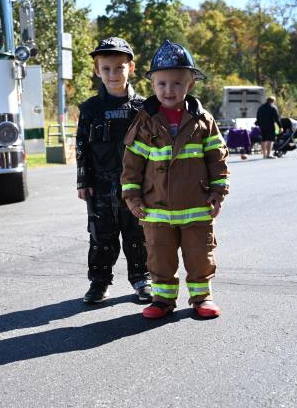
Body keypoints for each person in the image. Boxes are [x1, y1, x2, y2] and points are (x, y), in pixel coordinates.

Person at [120, 40, 230, 319]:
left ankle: (202, 297)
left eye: (177, 84)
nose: (169, 90)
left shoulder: (203, 120)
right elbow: (132, 164)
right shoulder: (145, 121)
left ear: (190, 84)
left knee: (199, 254)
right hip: (156, 209)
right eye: (162, 84)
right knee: (159, 255)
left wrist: (218, 191)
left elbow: (217, 158)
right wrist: (132, 197)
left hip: (196, 206)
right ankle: (163, 299)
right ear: (153, 85)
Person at [76, 37, 152, 304]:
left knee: (137, 234)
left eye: (119, 68)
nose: (112, 74)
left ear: (130, 68)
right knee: (101, 235)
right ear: (97, 70)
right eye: (106, 68)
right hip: (100, 185)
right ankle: (99, 283)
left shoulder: (144, 108)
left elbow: (153, 148)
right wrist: (82, 180)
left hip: (137, 186)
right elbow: (82, 146)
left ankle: (142, 280)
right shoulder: (90, 109)